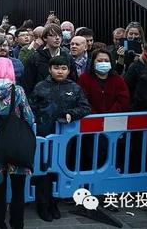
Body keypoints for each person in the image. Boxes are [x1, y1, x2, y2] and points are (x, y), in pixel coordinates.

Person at [30, 55, 90, 222]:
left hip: (66, 138)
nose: (60, 71)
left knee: (61, 169)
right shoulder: (40, 87)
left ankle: (54, 203)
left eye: (64, 68)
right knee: (44, 170)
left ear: (69, 70)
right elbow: (31, 108)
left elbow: (85, 107)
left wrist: (72, 114)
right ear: (50, 69)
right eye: (56, 68)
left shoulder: (75, 88)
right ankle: (42, 204)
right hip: (44, 136)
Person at [0, 58, 34, 229]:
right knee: (18, 189)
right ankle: (17, 223)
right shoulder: (17, 91)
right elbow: (29, 117)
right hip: (14, 144)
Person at [23, 24, 77, 96]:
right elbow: (28, 83)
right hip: (41, 99)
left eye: (59, 35)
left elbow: (73, 79)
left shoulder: (67, 57)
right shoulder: (35, 58)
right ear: (45, 38)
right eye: (52, 35)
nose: (57, 38)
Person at [78, 49, 130, 114]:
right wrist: (96, 116)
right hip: (91, 119)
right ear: (93, 62)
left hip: (114, 118)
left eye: (106, 61)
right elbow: (82, 100)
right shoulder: (84, 79)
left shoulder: (118, 80)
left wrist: (110, 115)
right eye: (99, 61)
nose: (103, 63)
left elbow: (123, 100)